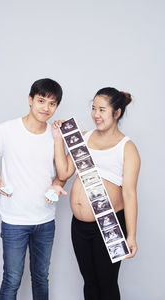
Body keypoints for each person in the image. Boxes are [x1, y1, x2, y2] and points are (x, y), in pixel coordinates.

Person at [52, 87, 141, 300]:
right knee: (89, 282)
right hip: (80, 226)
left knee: (107, 284)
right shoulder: (82, 137)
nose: (95, 115)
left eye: (102, 109)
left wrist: (131, 235)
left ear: (116, 112)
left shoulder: (126, 147)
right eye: (93, 108)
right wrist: (58, 138)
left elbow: (129, 194)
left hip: (109, 223)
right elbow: (64, 172)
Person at [0, 78, 67, 300]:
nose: (46, 108)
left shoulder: (55, 135)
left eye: (52, 103)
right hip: (14, 221)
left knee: (41, 278)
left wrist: (57, 185)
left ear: (56, 106)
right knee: (12, 279)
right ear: (30, 100)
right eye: (41, 100)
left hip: (45, 220)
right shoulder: (6, 130)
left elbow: (62, 174)